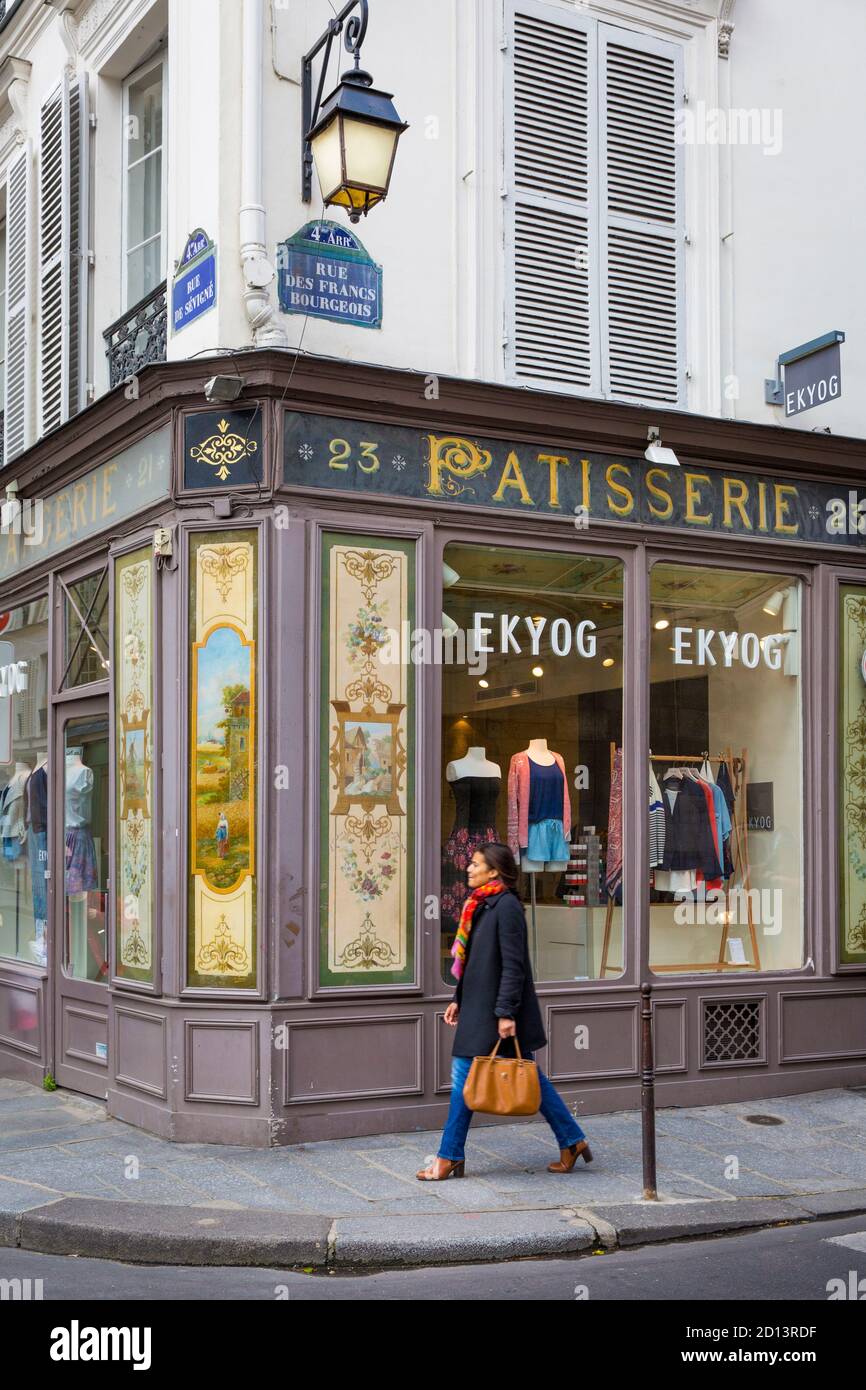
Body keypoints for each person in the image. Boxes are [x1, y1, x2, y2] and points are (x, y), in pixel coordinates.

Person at [417, 841, 593, 1180]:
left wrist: (506, 1014)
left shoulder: (507, 907)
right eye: (470, 862)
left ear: (494, 871)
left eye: (476, 863)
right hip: (480, 1010)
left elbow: (514, 966)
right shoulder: (480, 904)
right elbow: (476, 964)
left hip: (495, 1014)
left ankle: (448, 1157)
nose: (468, 868)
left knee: (462, 1080)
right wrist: (458, 998)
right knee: (529, 1078)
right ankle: (572, 1140)